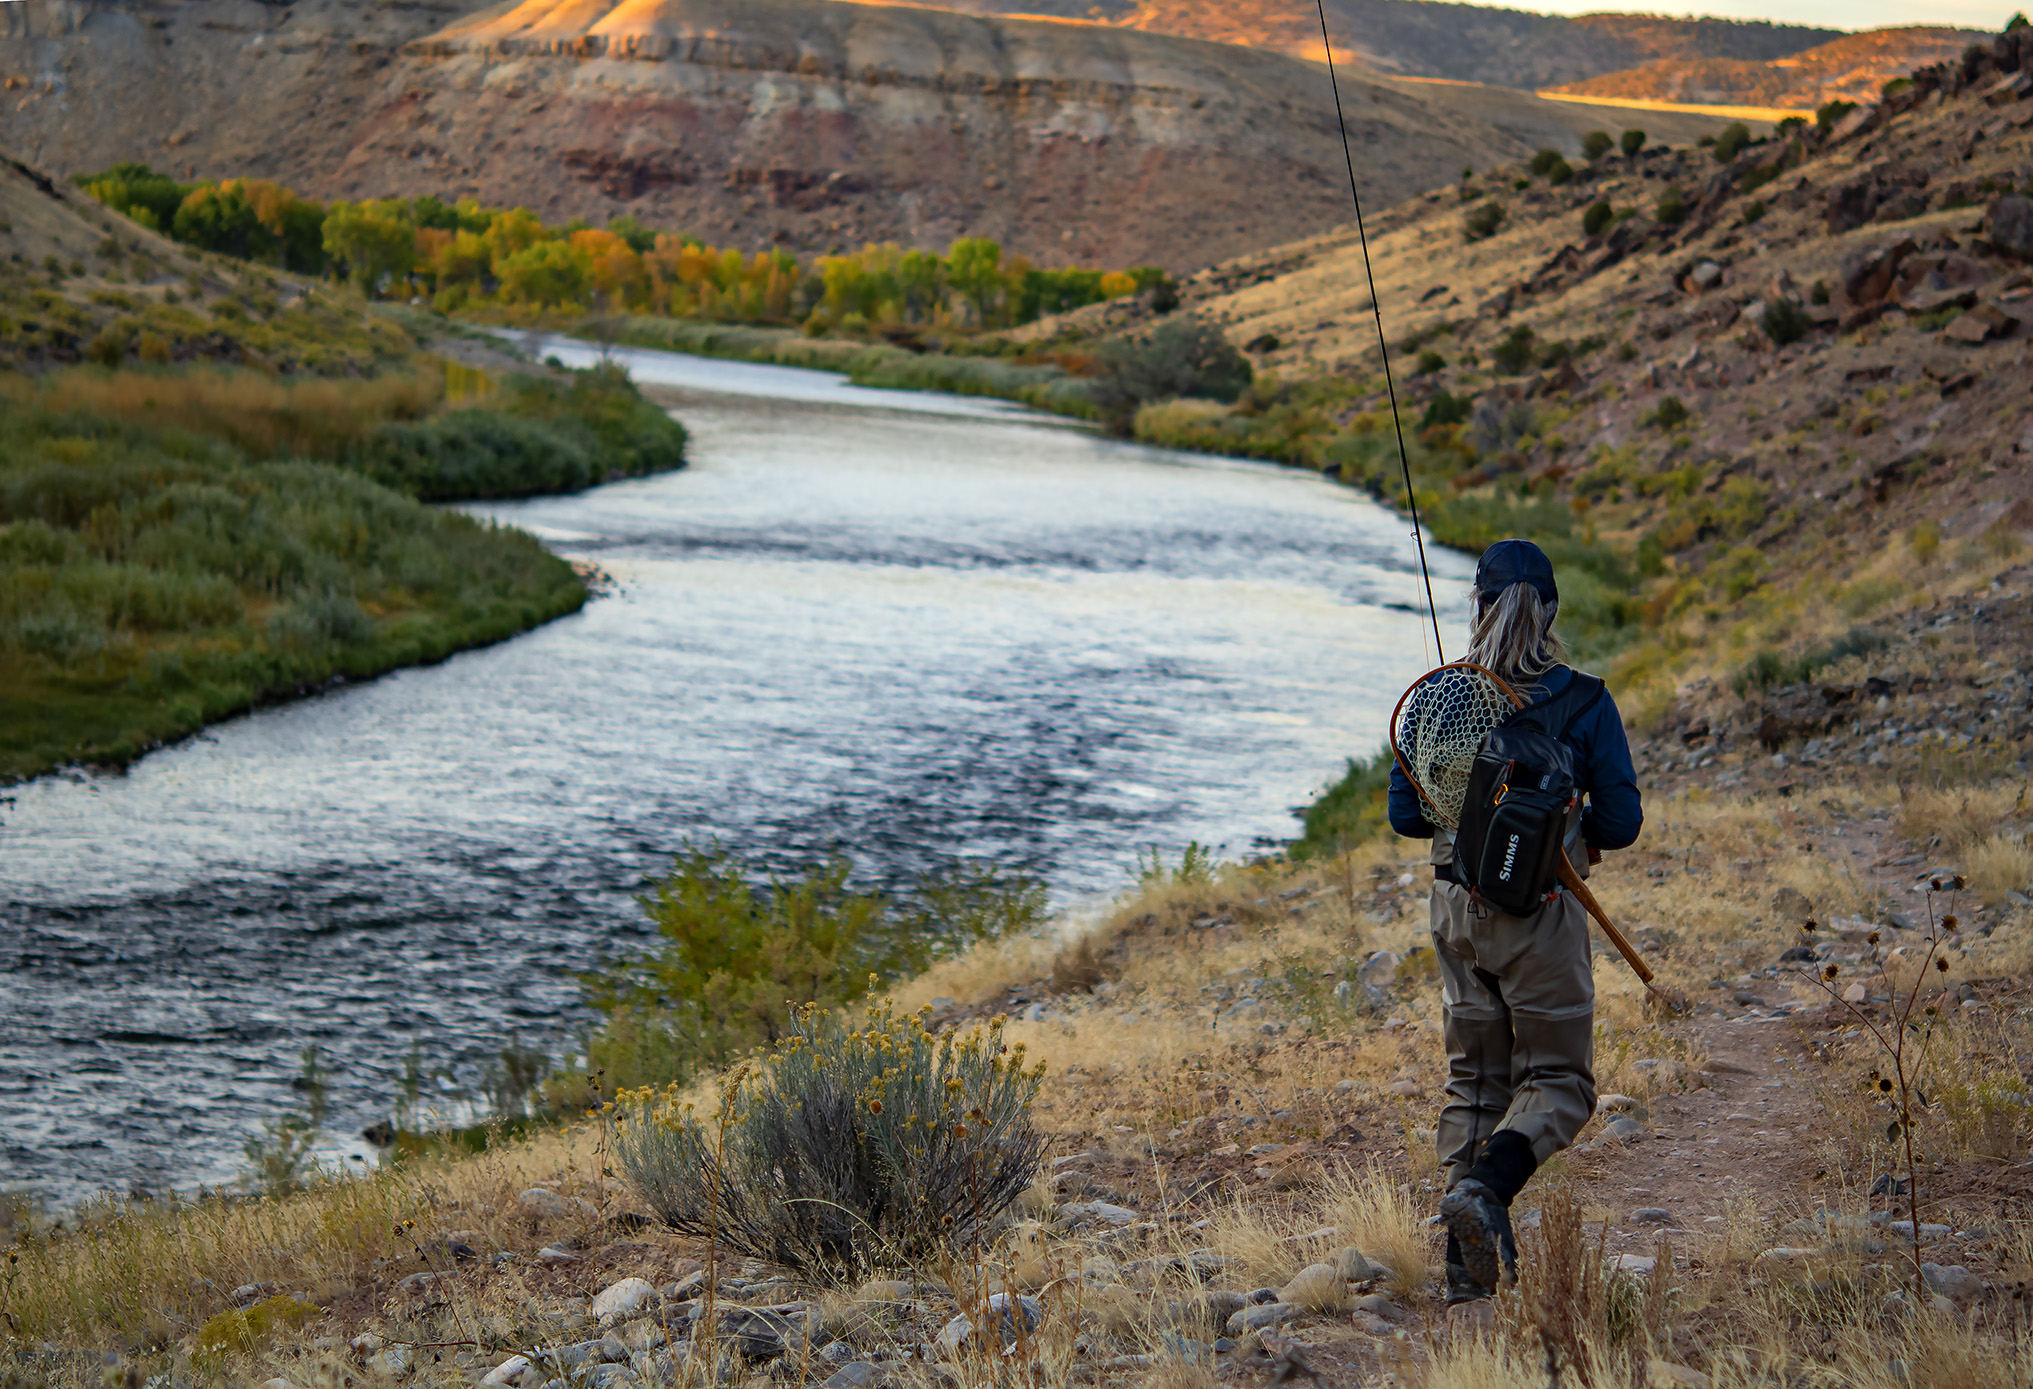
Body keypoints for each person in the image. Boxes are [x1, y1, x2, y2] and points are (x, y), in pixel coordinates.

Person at [1386, 538, 1643, 1312]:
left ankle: (1464, 1275)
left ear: (1477, 606)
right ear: (1553, 611)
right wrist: (1567, 831)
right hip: (1542, 912)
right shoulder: (1585, 699)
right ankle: (1488, 1192)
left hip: (1454, 912)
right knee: (1558, 1083)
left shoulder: (1436, 697)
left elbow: (1405, 816)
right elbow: (1624, 820)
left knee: (1475, 1081)